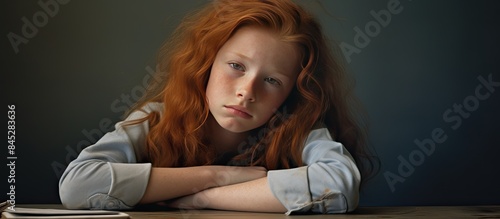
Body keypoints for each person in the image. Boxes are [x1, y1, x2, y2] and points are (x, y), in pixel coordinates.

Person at [59, 0, 378, 214]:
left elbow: (339, 186)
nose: (246, 92)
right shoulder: (156, 118)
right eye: (236, 66)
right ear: (207, 64)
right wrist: (217, 176)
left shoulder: (300, 128)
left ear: (291, 93)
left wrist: (200, 198)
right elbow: (78, 185)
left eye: (272, 81)